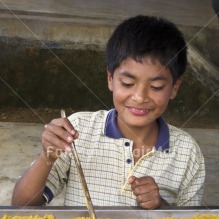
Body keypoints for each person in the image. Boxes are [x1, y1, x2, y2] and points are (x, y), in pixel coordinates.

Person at [12, 15, 205, 208]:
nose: (139, 97)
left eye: (156, 87)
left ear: (174, 88)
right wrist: (47, 156)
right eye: (128, 83)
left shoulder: (187, 153)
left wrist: (161, 207)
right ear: (110, 79)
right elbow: (21, 206)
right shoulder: (77, 131)